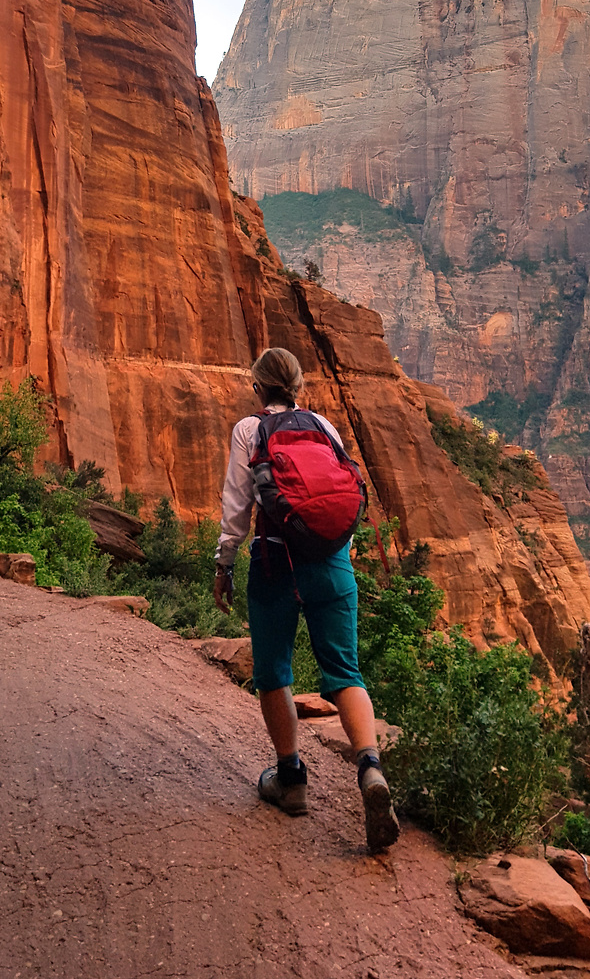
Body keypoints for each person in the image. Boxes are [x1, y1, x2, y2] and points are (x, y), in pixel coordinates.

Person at [213, 346, 400, 853]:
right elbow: (342, 491)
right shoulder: (323, 425)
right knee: (345, 673)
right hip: (333, 561)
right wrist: (338, 551)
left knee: (274, 672)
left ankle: (291, 779)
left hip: (276, 563)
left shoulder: (249, 430)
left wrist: (224, 565)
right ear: (298, 388)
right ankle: (370, 768)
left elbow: (237, 506)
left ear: (259, 387)